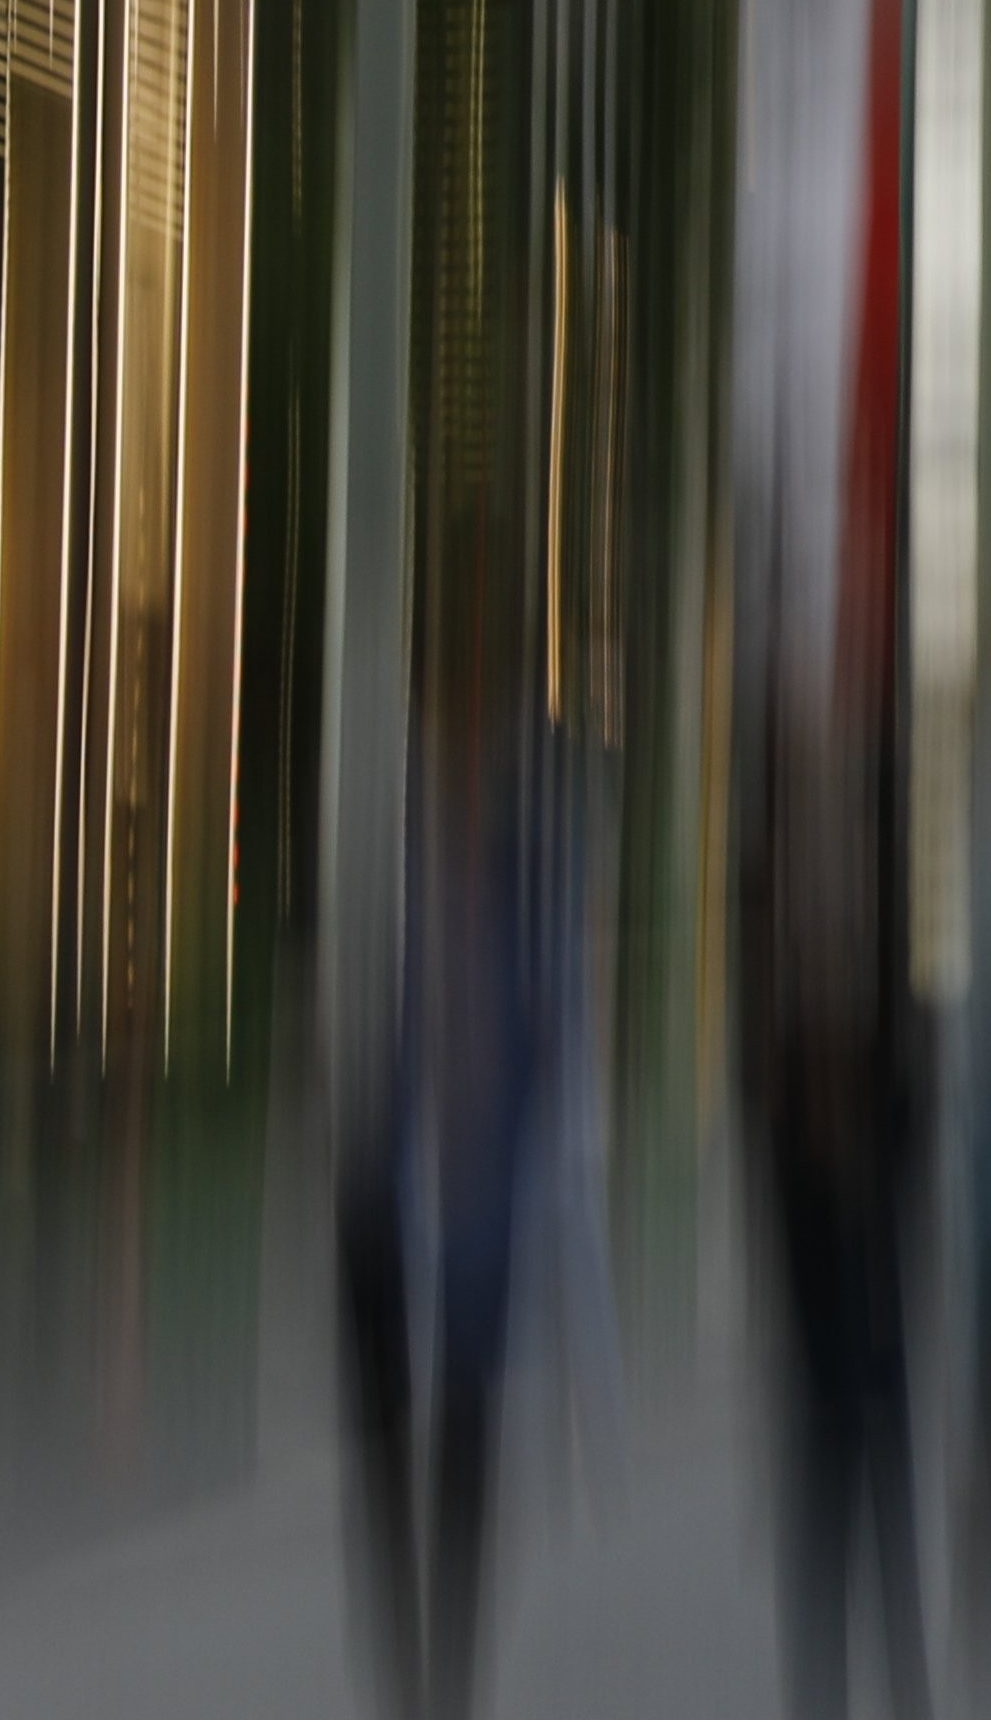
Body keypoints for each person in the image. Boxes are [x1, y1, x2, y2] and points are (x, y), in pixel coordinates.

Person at [348, 622, 566, 1718]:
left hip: (478, 1207)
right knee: (396, 1439)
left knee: (468, 1439)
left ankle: (450, 1672)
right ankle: (413, 1663)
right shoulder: (396, 858)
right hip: (398, 1193)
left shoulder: (516, 866)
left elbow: (545, 1035)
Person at [744, 711, 932, 1720]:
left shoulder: (884, 991)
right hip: (830, 1286)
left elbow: (911, 1130)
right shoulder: (788, 1013)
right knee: (833, 1492)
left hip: (868, 1287)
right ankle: (832, 1683)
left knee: (877, 1493)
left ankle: (892, 1680)